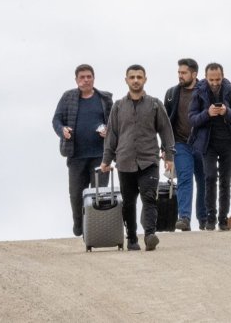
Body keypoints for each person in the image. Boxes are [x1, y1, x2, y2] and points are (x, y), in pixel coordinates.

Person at [101, 65, 174, 251]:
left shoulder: (155, 104)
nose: (135, 80)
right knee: (129, 202)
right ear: (126, 80)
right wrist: (106, 160)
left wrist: (169, 155)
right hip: (124, 161)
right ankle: (132, 238)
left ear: (145, 80)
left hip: (149, 160)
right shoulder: (118, 106)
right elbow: (112, 136)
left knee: (149, 198)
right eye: (132, 77)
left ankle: (150, 235)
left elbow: (166, 131)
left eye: (139, 77)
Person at [52, 64, 114, 237]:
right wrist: (62, 130)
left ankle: (95, 229)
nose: (86, 80)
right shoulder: (68, 98)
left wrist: (108, 130)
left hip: (100, 156)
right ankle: (79, 225)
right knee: (76, 195)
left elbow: (115, 122)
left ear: (94, 78)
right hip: (76, 155)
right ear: (76, 80)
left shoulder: (105, 98)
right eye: (82, 77)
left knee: (98, 194)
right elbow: (56, 120)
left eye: (89, 77)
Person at [189, 63, 231, 231]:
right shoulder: (198, 93)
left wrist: (226, 111)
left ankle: (223, 220)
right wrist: (208, 113)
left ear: (222, 76)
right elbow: (191, 119)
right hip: (208, 144)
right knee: (210, 177)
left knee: (225, 182)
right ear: (205, 77)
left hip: (228, 143)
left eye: (218, 79)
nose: (214, 83)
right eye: (211, 79)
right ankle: (210, 219)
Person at [164, 58, 206, 231]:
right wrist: (165, 150)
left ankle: (204, 219)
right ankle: (184, 218)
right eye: (179, 73)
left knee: (204, 180)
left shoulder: (205, 91)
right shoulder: (172, 94)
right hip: (181, 144)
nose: (180, 76)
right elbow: (164, 124)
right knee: (184, 178)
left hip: (203, 143)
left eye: (184, 73)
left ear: (194, 74)